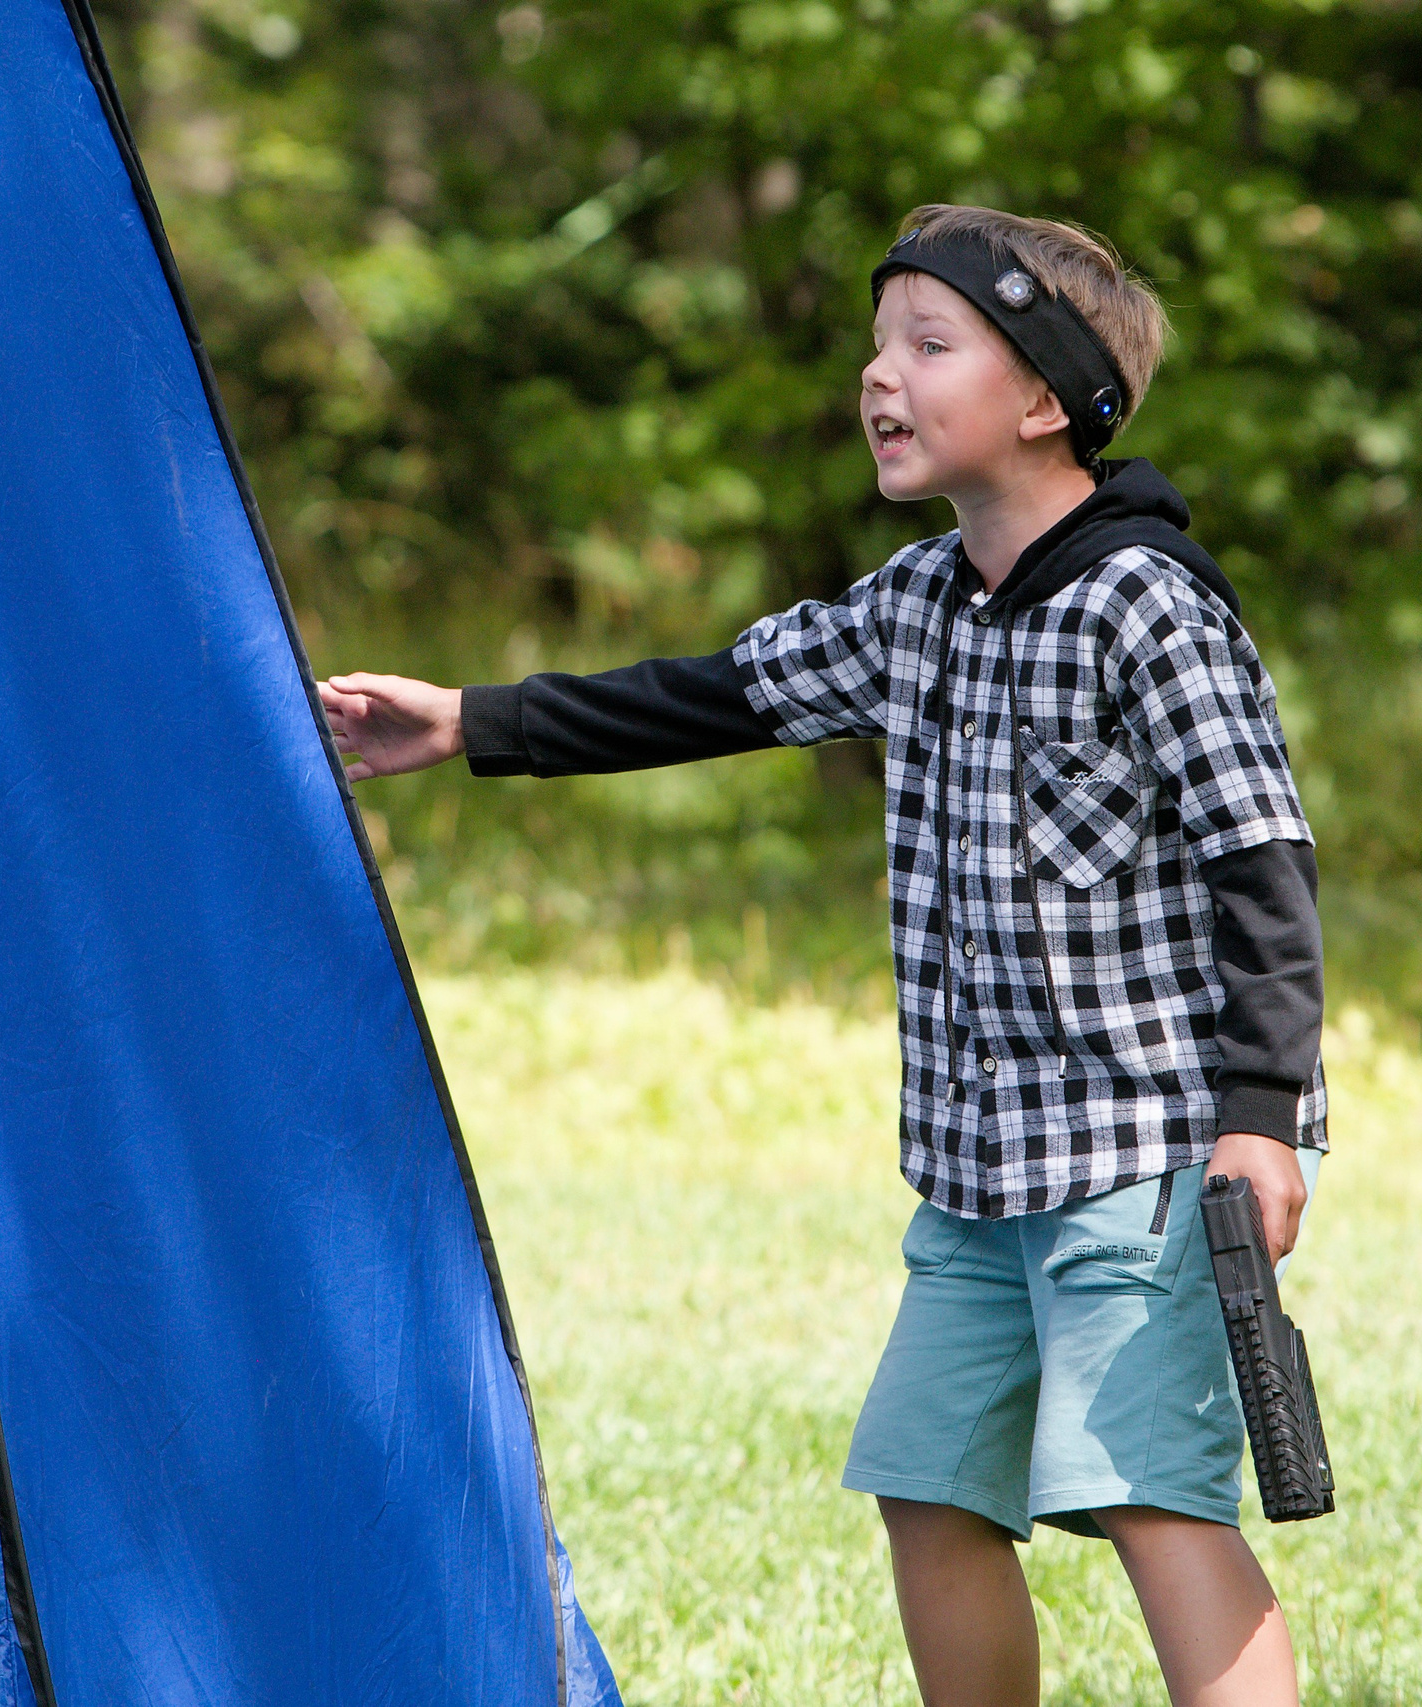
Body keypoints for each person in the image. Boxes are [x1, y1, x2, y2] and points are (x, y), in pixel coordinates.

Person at [317, 204, 1328, 1707]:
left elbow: (1264, 858)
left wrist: (1259, 1115)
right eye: (877, 344)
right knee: (928, 1487)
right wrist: (472, 722)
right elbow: (716, 693)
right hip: (979, 1166)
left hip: (1144, 1155)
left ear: (1046, 401)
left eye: (929, 345)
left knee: (1150, 1491)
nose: (879, 376)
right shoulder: (918, 603)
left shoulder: (1145, 607)